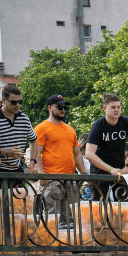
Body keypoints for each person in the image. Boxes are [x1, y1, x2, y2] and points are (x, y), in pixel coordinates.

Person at [31, 94, 86, 230]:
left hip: (70, 178)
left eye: (64, 107)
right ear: (50, 107)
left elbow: (77, 153)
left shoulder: (70, 129)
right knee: (53, 217)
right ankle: (51, 247)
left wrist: (84, 174)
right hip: (52, 178)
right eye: (60, 107)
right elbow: (37, 153)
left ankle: (71, 248)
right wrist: (42, 174)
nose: (63, 110)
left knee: (72, 217)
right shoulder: (41, 128)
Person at [84, 93, 128, 178]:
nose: (117, 110)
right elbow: (89, 154)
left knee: (122, 191)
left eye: (118, 107)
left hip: (120, 170)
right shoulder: (98, 125)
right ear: (104, 108)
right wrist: (110, 169)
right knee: (101, 192)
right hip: (99, 171)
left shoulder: (126, 122)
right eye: (113, 107)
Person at [0, 84, 37, 173]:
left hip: (16, 170)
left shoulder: (24, 118)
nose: (17, 105)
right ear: (3, 100)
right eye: (14, 102)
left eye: (20, 101)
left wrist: (32, 161)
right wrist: (7, 152)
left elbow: (33, 140)